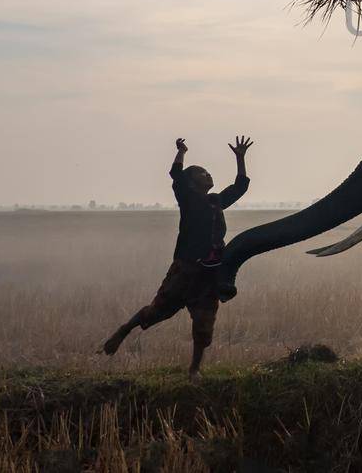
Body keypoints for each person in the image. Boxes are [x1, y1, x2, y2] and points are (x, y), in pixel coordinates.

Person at [100, 136, 252, 378]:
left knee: (204, 323)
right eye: (202, 173)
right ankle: (124, 330)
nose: (208, 175)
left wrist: (240, 158)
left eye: (208, 172)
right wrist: (181, 152)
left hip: (209, 273)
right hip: (185, 270)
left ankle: (194, 368)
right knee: (156, 312)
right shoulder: (189, 199)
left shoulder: (216, 201)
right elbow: (176, 174)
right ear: (191, 183)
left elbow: (240, 186)